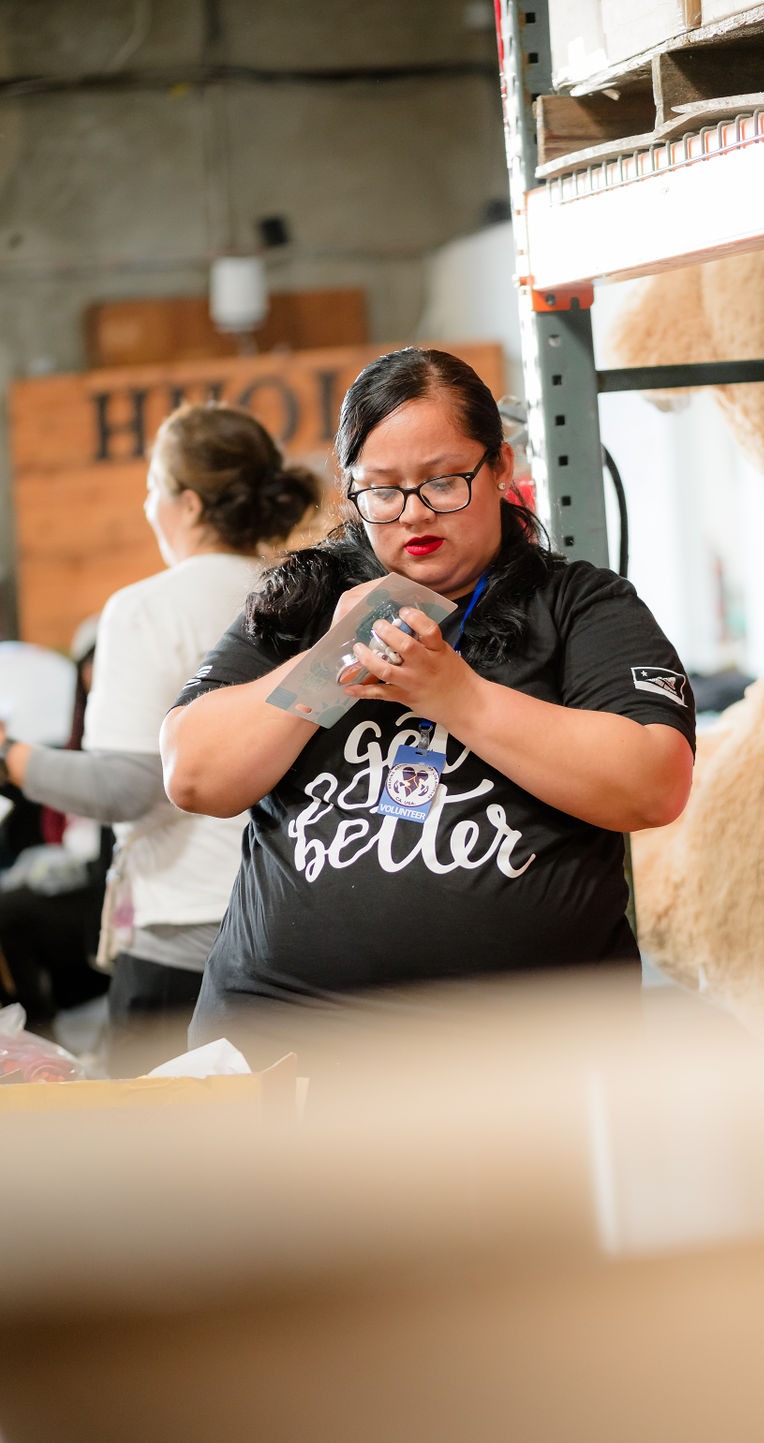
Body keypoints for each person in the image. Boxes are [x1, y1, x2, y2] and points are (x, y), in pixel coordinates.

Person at [161, 347, 696, 1062]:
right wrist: (329, 661)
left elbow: (654, 783)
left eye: (444, 481)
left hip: (519, 1065)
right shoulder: (310, 599)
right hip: (281, 1047)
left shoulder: (579, 604)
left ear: (500, 467)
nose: (414, 515)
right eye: (381, 490)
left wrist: (459, 698)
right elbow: (193, 774)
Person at [0, 402, 321, 1072]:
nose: (147, 505)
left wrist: (10, 757)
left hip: (185, 940)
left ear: (189, 505)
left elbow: (126, 786)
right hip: (296, 924)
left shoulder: (146, 609)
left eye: (151, 487)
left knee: (156, 1162)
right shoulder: (307, 594)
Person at [0, 617, 112, 1032]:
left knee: (9, 914)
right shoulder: (69, 738)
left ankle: (37, 1029)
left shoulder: (134, 736)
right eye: (91, 664)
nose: (98, 675)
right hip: (72, 873)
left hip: (103, 884)